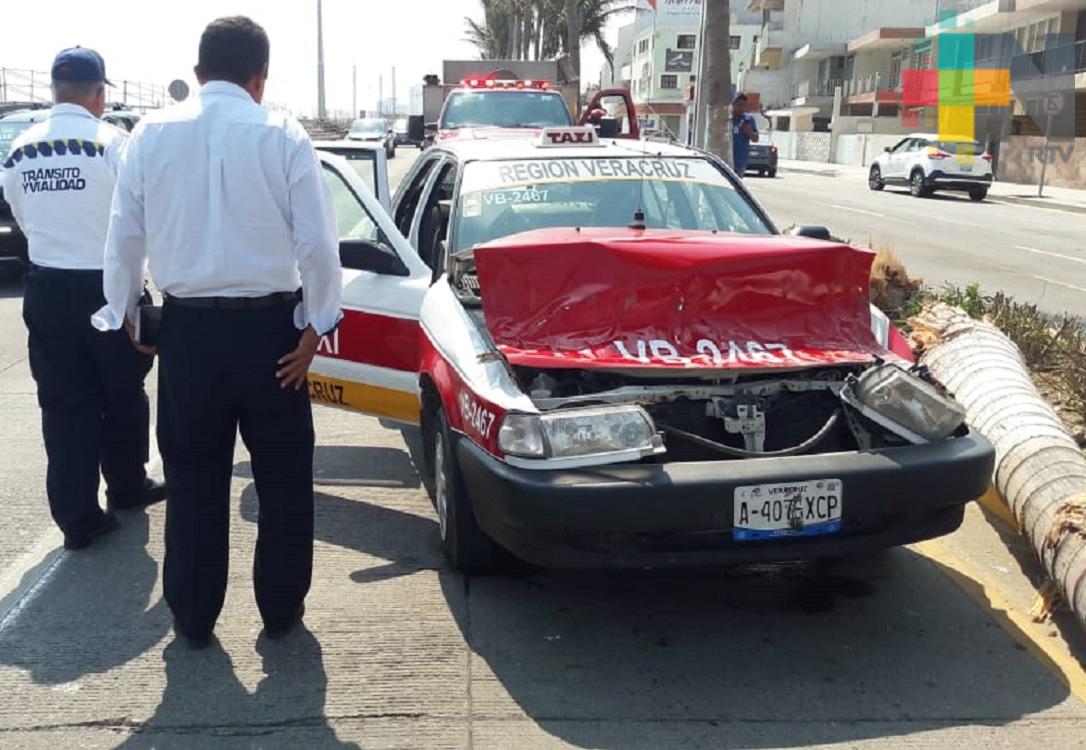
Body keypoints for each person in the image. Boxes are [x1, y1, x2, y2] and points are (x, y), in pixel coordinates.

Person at [93, 16, 342, 649]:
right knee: (284, 477)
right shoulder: (283, 132)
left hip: (188, 335)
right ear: (261, 77)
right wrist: (317, 326)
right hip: (273, 336)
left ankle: (195, 616)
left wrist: (124, 310)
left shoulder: (149, 133)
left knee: (194, 478)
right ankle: (280, 610)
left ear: (198, 74)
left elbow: (124, 235)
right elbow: (318, 244)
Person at [2, 48, 165, 551]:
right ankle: (126, 485)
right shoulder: (114, 143)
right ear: (99, 95)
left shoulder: (20, 148)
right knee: (121, 392)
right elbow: (138, 223)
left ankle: (77, 517)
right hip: (107, 285)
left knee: (64, 404)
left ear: (56, 92)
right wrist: (143, 289)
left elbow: (23, 217)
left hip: (47, 286)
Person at [731, 92, 760, 178]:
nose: (742, 108)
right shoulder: (727, 119)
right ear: (733, 104)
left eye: (744, 106)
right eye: (740, 105)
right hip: (725, 161)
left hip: (740, 162)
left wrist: (748, 130)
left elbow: (755, 139)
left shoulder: (748, 119)